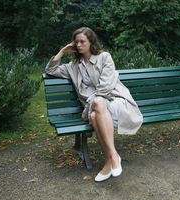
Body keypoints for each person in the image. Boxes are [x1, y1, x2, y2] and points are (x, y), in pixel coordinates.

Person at [45, 27, 143, 182]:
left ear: (91, 42)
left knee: (96, 103)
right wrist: (63, 50)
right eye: (76, 42)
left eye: (82, 41)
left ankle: (111, 160)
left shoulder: (105, 57)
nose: (78, 45)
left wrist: (89, 103)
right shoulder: (73, 66)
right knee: (94, 114)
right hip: (98, 109)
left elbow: (104, 88)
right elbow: (50, 69)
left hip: (115, 100)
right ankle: (112, 157)